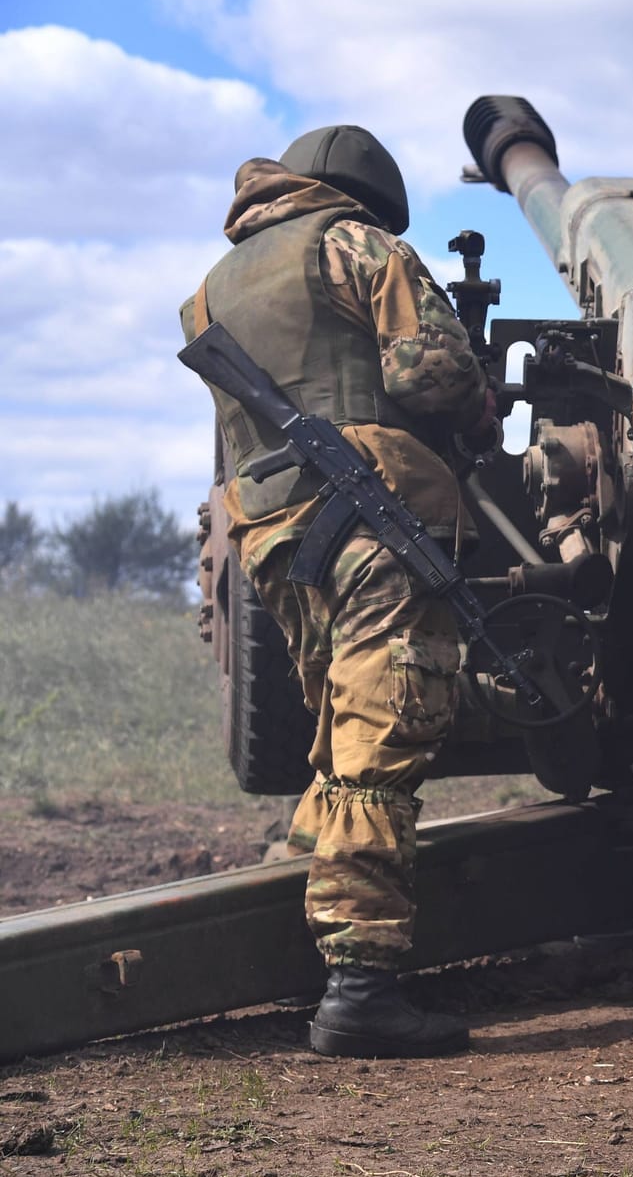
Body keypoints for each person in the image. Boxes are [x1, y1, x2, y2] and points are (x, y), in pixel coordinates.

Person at [182, 125, 492, 1058]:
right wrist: (475, 399)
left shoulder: (210, 291)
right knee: (382, 733)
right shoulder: (355, 245)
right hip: (369, 516)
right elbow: (426, 371)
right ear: (357, 194)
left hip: (275, 536)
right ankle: (361, 984)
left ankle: (294, 904)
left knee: (336, 723)